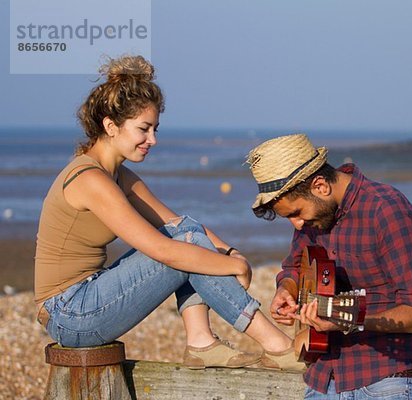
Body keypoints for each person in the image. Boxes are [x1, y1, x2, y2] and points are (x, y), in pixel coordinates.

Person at [34, 55, 303, 371]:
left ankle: (201, 342)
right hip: (69, 314)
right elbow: (162, 250)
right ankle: (277, 345)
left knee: (186, 235)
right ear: (110, 126)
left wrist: (231, 251)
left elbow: (180, 223)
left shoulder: (118, 176)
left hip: (89, 295)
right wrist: (230, 265)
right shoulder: (91, 180)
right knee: (181, 247)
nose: (153, 140)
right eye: (144, 129)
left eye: (155, 129)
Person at [246, 134, 412, 399]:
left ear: (320, 185)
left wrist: (349, 322)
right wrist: (285, 290)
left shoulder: (386, 210)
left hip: (386, 378)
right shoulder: (312, 216)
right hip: (323, 378)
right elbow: (293, 268)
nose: (297, 225)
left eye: (295, 213)